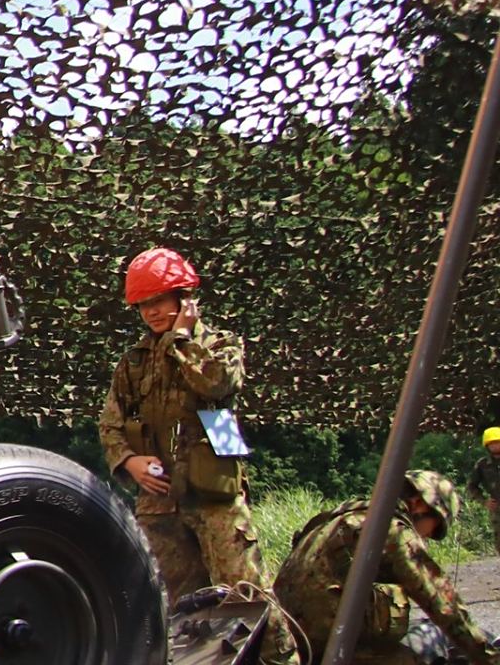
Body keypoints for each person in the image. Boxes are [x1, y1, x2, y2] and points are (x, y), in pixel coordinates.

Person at [97, 248, 274, 605]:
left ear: (186, 299)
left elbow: (215, 384)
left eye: (160, 300)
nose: (152, 312)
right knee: (170, 608)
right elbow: (110, 424)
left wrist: (180, 339)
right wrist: (130, 461)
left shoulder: (222, 345)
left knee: (248, 599)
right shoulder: (134, 362)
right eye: (145, 305)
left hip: (216, 495)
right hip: (159, 502)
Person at [273, 469, 498, 664]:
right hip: (328, 642)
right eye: (434, 526)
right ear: (419, 504)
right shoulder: (392, 530)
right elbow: (441, 600)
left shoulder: (340, 517)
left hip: (291, 641)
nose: (427, 535)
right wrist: (488, 657)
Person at [468, 427, 500, 553]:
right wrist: (484, 501)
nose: (495, 446)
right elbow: (471, 486)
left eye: (497, 442)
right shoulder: (483, 464)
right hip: (497, 509)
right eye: (491, 443)